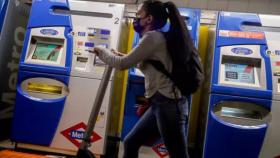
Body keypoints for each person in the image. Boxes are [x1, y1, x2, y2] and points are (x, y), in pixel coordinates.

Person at [91, 0, 194, 157]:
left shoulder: (152, 38)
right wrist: (123, 56)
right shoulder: (159, 37)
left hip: (169, 106)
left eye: (139, 14)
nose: (136, 18)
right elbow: (153, 66)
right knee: (130, 142)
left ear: (149, 19)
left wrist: (101, 50)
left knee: (179, 155)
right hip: (161, 104)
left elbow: (122, 65)